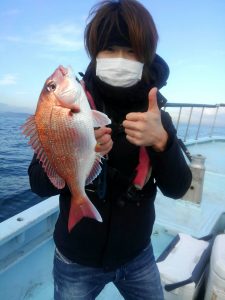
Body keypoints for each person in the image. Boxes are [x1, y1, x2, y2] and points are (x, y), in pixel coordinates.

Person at [28, 0, 192, 299]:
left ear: (146, 57)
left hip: (138, 255)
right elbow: (38, 185)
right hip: (74, 258)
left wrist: (162, 143)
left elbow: (179, 188)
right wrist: (75, 149)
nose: (119, 59)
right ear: (95, 54)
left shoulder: (157, 116)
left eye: (131, 51)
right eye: (109, 50)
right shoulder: (66, 110)